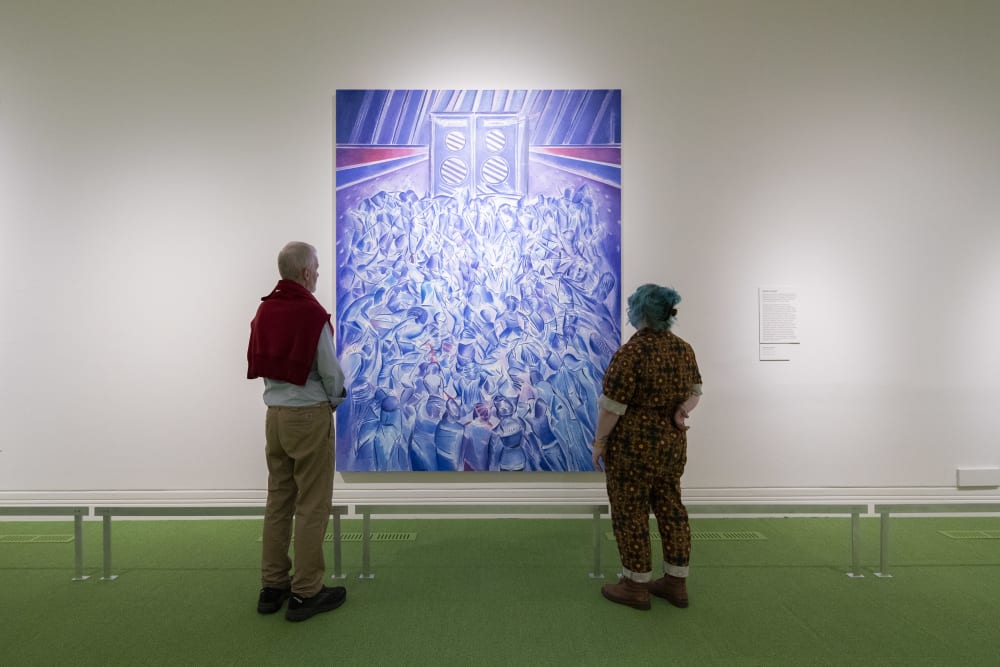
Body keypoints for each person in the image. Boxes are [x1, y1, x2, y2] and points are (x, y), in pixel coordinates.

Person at [247, 242, 348, 622]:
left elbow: (257, 357)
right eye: (317, 269)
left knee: (279, 499)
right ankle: (307, 591)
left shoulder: (265, 308)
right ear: (306, 273)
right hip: (308, 416)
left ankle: (272, 586)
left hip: (274, 414)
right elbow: (330, 370)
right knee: (312, 502)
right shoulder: (311, 314)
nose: (319, 274)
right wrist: (335, 400)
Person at [591, 283, 703, 611]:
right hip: (671, 444)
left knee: (631, 512)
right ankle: (676, 582)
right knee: (672, 509)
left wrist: (599, 443)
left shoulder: (631, 352)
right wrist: (681, 411)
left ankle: (635, 585)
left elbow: (611, 407)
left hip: (632, 448)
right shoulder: (684, 349)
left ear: (640, 312)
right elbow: (696, 392)